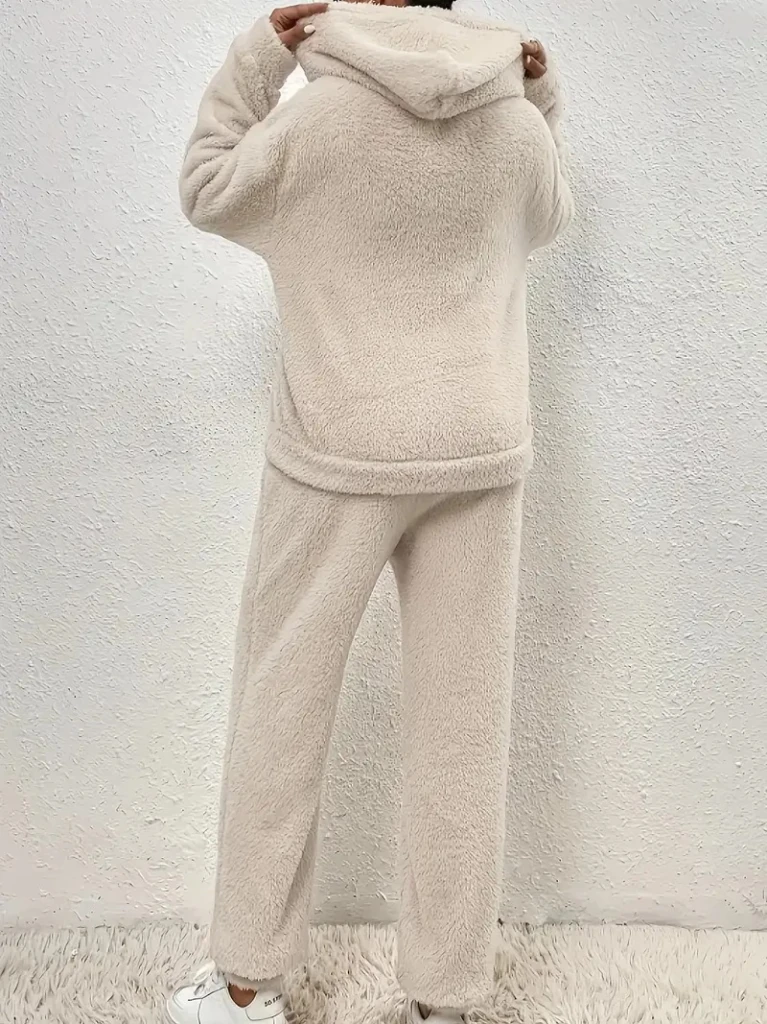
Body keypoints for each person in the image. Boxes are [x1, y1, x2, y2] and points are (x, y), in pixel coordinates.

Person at [167, 0, 571, 1020]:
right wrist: (537, 97)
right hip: (477, 446)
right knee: (461, 731)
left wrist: (259, 59)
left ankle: (248, 985)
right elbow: (549, 215)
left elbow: (206, 187)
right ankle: (446, 996)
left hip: (338, 446)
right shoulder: (512, 128)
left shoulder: (315, 123)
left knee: (282, 705)